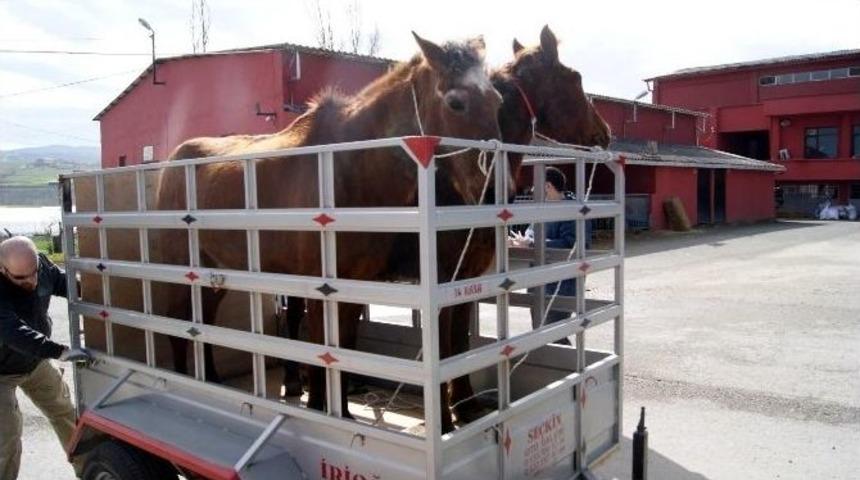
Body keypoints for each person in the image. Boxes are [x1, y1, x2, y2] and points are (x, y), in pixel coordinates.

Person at [0, 236, 90, 480]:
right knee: (6, 439)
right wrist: (60, 351)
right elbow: (13, 333)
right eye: (20, 278)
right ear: (2, 269)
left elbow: (67, 285)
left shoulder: (41, 267)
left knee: (67, 415)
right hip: (2, 371)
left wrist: (99, 292)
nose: (31, 281)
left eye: (34, 273)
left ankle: (90, 473)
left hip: (33, 362)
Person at [509, 167, 591, 342]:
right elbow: (531, 235)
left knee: (554, 333)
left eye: (535, 186)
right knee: (541, 332)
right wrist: (520, 242)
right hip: (538, 283)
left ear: (547, 186)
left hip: (561, 285)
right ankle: (559, 367)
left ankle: (567, 367)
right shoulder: (541, 209)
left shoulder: (573, 211)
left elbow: (571, 245)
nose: (531, 190)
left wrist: (532, 243)